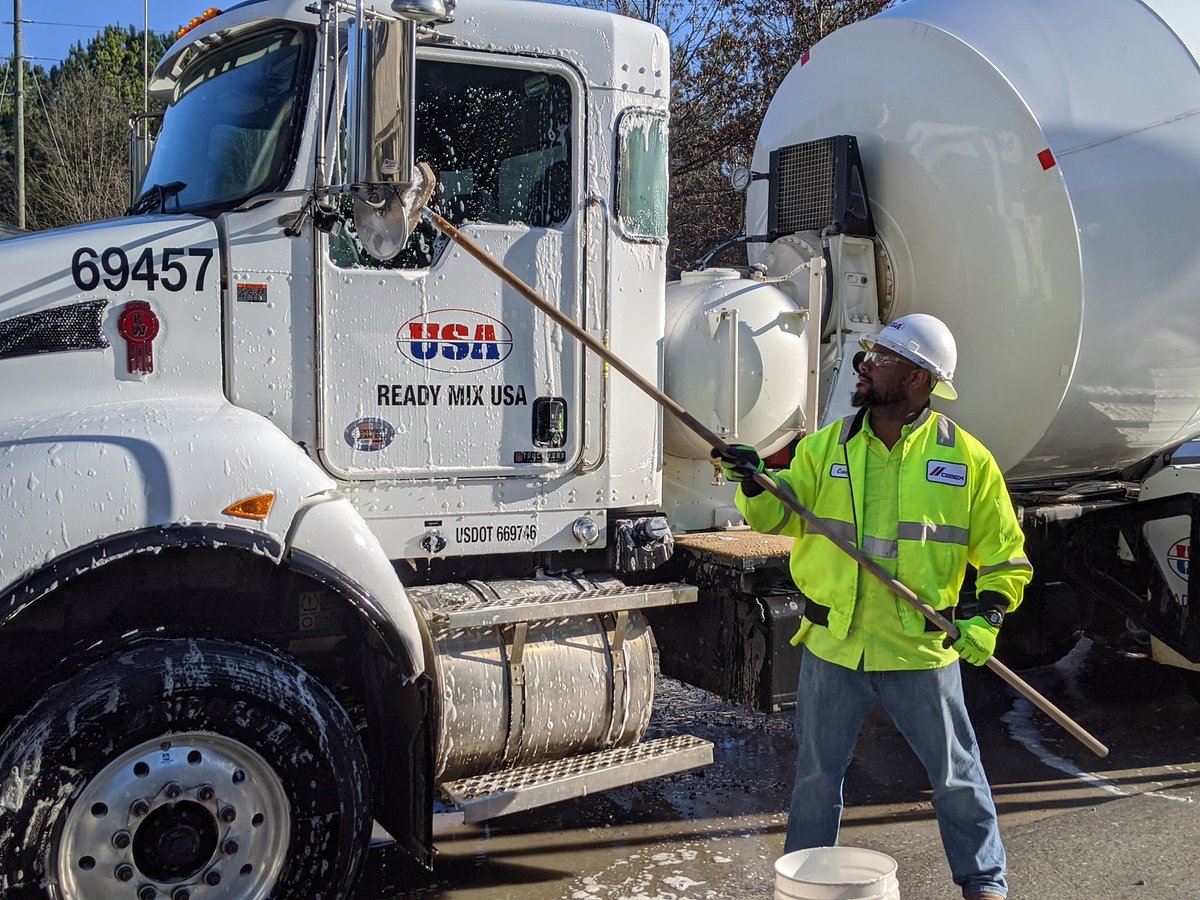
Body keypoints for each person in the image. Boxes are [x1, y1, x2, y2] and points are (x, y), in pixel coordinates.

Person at [714, 313, 1031, 900]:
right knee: (815, 779)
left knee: (957, 778)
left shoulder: (965, 459)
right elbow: (777, 517)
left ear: (916, 378)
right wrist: (755, 482)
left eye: (879, 359)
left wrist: (987, 616)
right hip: (835, 644)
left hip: (918, 649)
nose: (863, 367)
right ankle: (805, 885)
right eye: (868, 355)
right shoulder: (825, 447)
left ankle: (984, 884)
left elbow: (1004, 554)